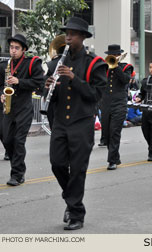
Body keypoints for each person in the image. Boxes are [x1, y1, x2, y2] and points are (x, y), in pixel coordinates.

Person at [45, 17, 107, 230]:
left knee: (78, 169)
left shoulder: (94, 63)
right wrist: (48, 87)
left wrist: (73, 78)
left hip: (82, 123)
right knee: (57, 163)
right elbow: (50, 96)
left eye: (72, 34)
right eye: (67, 33)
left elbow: (96, 95)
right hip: (61, 122)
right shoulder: (56, 63)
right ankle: (71, 199)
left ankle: (76, 213)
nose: (68, 37)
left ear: (82, 37)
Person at [0, 34, 43, 186]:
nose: (13, 51)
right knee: (6, 139)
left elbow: (39, 82)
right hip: (8, 108)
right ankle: (17, 167)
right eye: (11, 47)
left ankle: (17, 174)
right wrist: (1, 95)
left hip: (24, 108)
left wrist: (19, 81)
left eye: (16, 48)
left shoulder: (32, 63)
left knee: (19, 141)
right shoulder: (5, 65)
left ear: (23, 50)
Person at [101, 44, 133, 170]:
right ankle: (115, 156)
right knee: (107, 134)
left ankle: (112, 160)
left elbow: (125, 80)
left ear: (120, 55)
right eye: (111, 55)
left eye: (115, 55)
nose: (113, 57)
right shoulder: (104, 68)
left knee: (115, 132)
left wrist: (115, 67)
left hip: (119, 103)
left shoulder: (126, 67)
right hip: (106, 103)